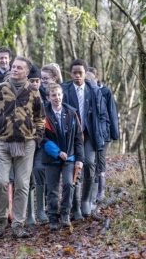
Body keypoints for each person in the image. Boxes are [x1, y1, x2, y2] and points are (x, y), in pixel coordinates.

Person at [0, 56, 45, 238]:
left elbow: (40, 118)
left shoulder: (34, 91)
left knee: (22, 184)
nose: (15, 70)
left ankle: (18, 224)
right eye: (14, 67)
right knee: (1, 182)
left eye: (19, 68)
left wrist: (36, 139)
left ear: (27, 72)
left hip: (26, 144)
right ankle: (1, 220)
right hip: (1, 143)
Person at [61, 59, 109, 219]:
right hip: (71, 136)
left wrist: (101, 132)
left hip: (89, 134)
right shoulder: (65, 90)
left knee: (89, 163)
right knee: (74, 166)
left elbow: (103, 115)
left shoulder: (94, 91)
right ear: (70, 74)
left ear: (84, 74)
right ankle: (74, 207)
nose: (77, 76)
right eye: (74, 73)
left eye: (80, 73)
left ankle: (86, 200)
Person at [42, 83, 84, 230]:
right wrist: (57, 152)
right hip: (51, 158)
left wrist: (80, 159)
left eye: (59, 94)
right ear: (48, 98)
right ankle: (53, 217)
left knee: (68, 184)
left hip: (70, 157)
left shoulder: (72, 113)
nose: (57, 98)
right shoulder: (43, 114)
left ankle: (65, 213)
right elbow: (41, 138)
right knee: (52, 189)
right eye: (53, 95)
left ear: (62, 95)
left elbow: (78, 138)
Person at [87, 67, 119, 203]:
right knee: (89, 162)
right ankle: (90, 192)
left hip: (103, 133)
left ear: (96, 78)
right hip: (89, 133)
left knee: (100, 161)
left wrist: (113, 133)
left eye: (90, 79)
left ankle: (101, 191)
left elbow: (111, 112)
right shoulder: (85, 91)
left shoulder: (105, 92)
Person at [26, 65, 49, 225]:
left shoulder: (45, 97)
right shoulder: (22, 96)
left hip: (41, 142)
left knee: (39, 169)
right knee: (26, 175)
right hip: (25, 142)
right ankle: (30, 213)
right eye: (32, 81)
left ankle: (41, 209)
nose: (35, 83)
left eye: (37, 81)